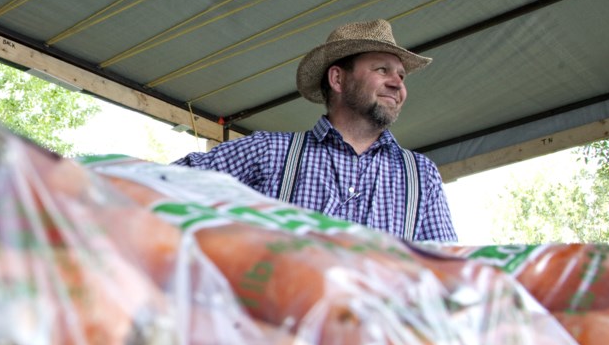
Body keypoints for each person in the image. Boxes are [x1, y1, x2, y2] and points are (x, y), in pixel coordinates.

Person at [174, 19, 458, 242]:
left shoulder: (421, 175)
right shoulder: (269, 152)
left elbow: (450, 281)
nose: (398, 84)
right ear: (337, 78)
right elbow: (161, 184)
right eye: (382, 70)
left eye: (401, 75)